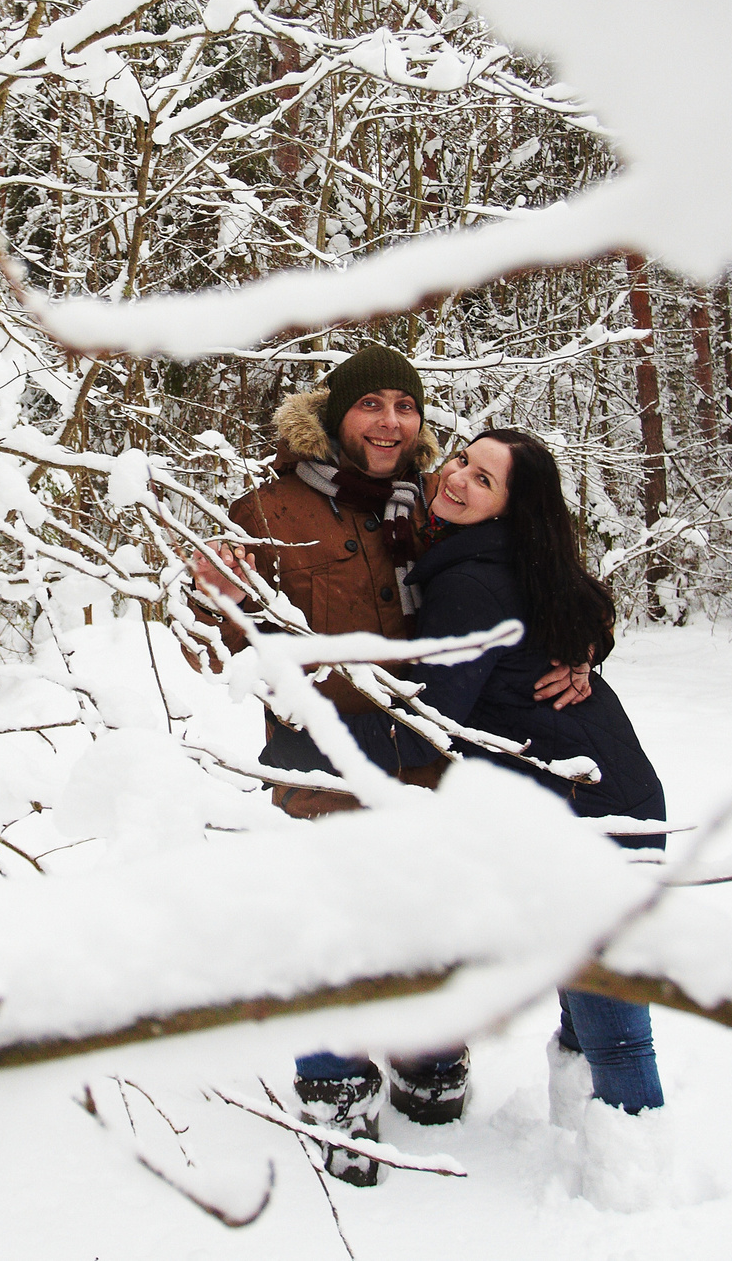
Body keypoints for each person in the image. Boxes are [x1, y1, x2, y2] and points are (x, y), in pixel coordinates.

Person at [192, 345, 593, 1181]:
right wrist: (219, 603)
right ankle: (333, 1076)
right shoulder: (267, 506)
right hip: (328, 756)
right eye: (370, 404)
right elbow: (225, 649)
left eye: (403, 406)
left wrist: (587, 641)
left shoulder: (438, 506)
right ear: (336, 414)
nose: (389, 422)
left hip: (434, 754)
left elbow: (541, 572)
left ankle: (429, 1048)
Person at [399, 427, 668, 1120]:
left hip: (587, 821)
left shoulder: (470, 581)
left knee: (616, 1035)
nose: (457, 477)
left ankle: (634, 1174)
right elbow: (589, 610)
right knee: (590, 1004)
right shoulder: (513, 557)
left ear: (508, 511)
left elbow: (434, 717)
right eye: (462, 459)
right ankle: (590, 1132)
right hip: (611, 798)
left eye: (483, 480)